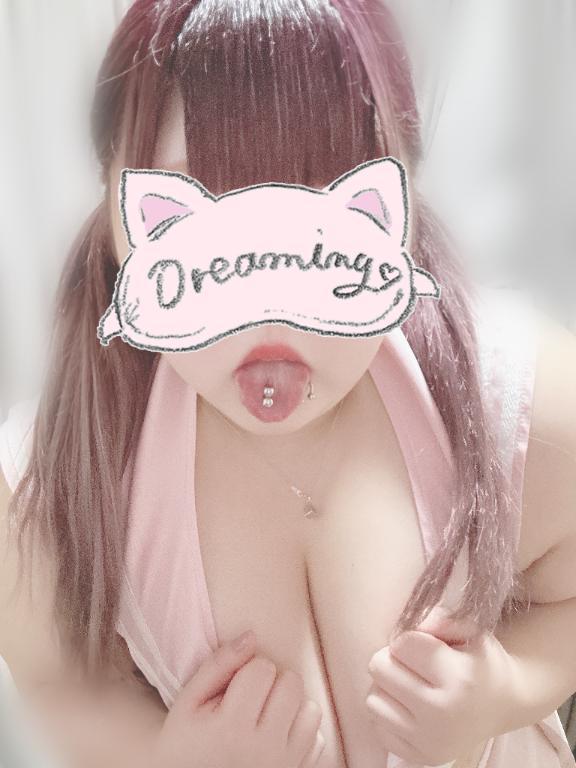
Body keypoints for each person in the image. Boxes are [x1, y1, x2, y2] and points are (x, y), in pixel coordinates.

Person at [1, 1, 575, 766]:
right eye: (195, 218)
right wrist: (169, 758)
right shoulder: (49, 484)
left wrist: (509, 686)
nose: (267, 307)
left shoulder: (519, 399)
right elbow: (60, 683)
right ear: (118, 210)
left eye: (320, 219)